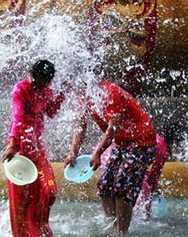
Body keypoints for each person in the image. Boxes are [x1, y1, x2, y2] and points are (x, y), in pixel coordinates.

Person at [64, 81, 156, 235]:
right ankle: (111, 228)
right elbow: (80, 126)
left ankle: (121, 232)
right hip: (123, 142)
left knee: (122, 184)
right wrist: (73, 151)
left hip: (142, 141)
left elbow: (113, 127)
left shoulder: (110, 92)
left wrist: (98, 153)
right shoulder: (83, 96)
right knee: (104, 186)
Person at [3, 59, 68, 237]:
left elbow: (51, 112)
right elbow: (18, 118)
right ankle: (23, 233)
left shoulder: (46, 91)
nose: (33, 81)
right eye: (32, 77)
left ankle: (41, 226)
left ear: (46, 81)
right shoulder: (21, 89)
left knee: (50, 191)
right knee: (21, 196)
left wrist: (62, 94)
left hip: (37, 147)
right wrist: (12, 144)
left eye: (39, 80)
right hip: (20, 147)